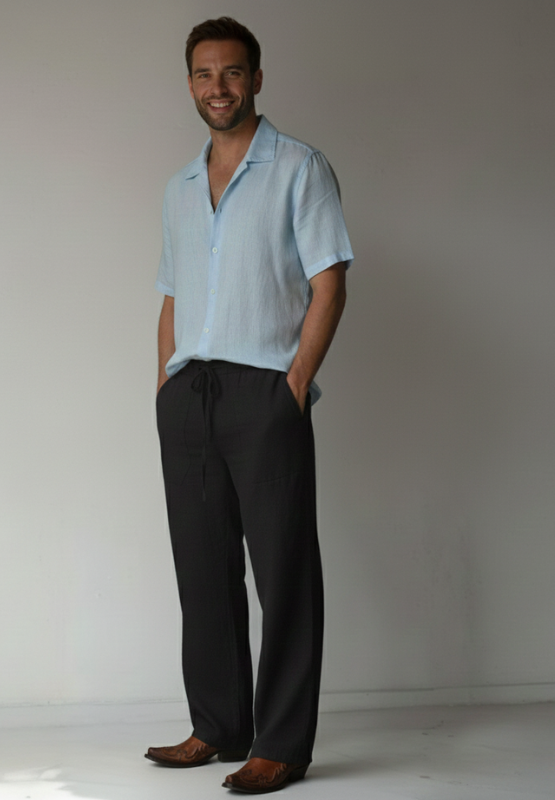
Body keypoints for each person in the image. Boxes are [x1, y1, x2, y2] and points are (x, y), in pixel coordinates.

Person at [145, 16, 353, 794]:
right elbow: (170, 292)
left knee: (284, 570)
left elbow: (330, 281)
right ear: (191, 84)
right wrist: (163, 386)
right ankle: (218, 727)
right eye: (204, 74)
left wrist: (293, 384)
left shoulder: (301, 168)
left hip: (265, 390)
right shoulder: (178, 188)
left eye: (233, 72)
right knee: (202, 572)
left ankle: (283, 745)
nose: (218, 87)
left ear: (257, 79)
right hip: (188, 393)